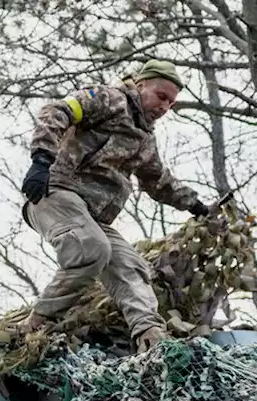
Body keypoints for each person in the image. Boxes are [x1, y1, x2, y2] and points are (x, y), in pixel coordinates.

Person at [19, 59, 214, 352]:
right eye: (161, 96)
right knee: (92, 249)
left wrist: (195, 205)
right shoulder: (109, 99)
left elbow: (158, 179)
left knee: (131, 267)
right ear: (141, 84)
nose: (164, 107)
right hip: (56, 193)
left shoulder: (145, 139)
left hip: (94, 217)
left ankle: (151, 339)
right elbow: (58, 110)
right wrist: (41, 159)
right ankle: (36, 324)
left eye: (171, 104)